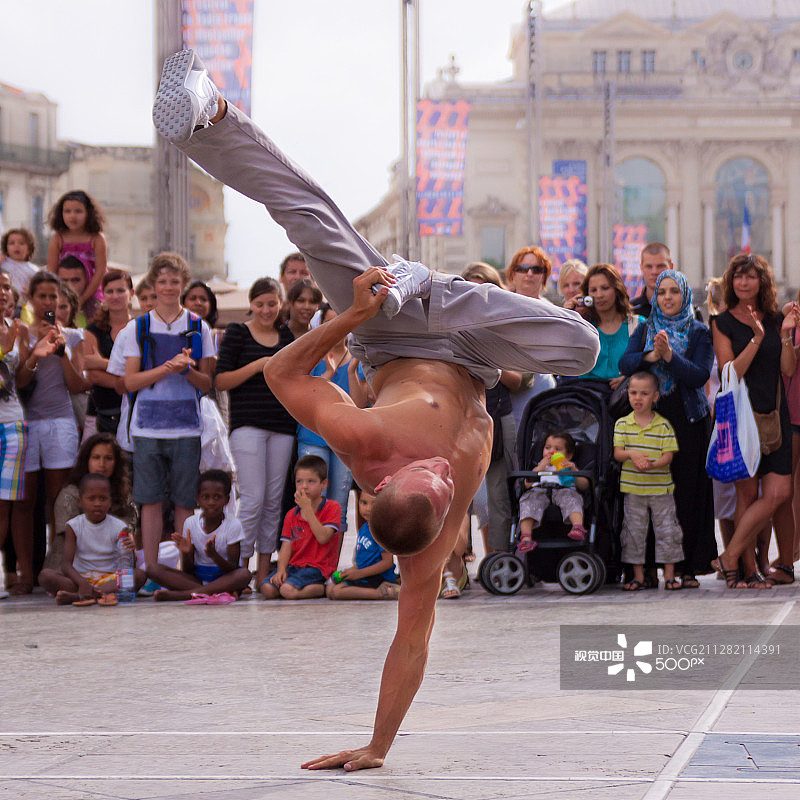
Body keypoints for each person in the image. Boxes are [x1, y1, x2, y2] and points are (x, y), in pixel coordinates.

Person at [152, 49, 598, 769]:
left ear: (381, 483)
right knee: (579, 345)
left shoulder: (360, 436)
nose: (444, 472)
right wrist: (377, 746)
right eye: (445, 486)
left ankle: (208, 117)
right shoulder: (432, 535)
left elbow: (284, 367)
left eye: (426, 475)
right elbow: (411, 641)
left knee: (308, 214)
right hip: (475, 349)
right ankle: (433, 287)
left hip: (388, 324)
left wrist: (349, 316)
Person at [117, 251, 214, 586]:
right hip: (146, 427)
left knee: (185, 502)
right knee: (150, 501)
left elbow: (207, 382)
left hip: (187, 427)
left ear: (183, 285)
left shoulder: (199, 326)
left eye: (175, 281)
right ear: (153, 285)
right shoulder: (137, 327)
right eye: (163, 281)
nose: (169, 287)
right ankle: (153, 569)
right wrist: (166, 368)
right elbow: (129, 382)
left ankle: (182, 569)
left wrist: (187, 370)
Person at [619, 270, 716, 588]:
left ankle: (688, 567)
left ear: (685, 295)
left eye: (675, 291)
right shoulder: (646, 327)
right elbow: (626, 364)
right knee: (646, 493)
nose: (668, 298)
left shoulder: (700, 331)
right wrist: (651, 355)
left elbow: (699, 376)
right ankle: (645, 568)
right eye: (662, 292)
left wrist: (670, 357)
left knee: (686, 495)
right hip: (649, 423)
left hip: (688, 420)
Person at [710, 253, 798, 589]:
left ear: (762, 281)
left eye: (750, 276)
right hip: (739, 416)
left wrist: (785, 333)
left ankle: (730, 555)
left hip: (775, 416)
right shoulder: (721, 322)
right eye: (738, 277)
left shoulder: (776, 318)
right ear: (731, 283)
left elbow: (787, 369)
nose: (743, 282)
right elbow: (730, 370)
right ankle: (747, 569)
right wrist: (757, 339)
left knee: (779, 493)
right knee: (746, 496)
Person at [215, 277, 296, 583]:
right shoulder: (237, 332)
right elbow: (221, 380)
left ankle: (262, 571)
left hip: (281, 426)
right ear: (251, 305)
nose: (266, 310)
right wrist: (261, 364)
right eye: (260, 304)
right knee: (252, 499)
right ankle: (240, 569)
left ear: (280, 303)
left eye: (272, 304)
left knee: (274, 501)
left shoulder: (286, 336)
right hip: (247, 426)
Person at [12, 271, 87, 595]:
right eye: (41, 297)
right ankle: (25, 574)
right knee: (26, 502)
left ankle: (57, 570)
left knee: (59, 500)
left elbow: (79, 384)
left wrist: (61, 351)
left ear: (61, 301)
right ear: (31, 300)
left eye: (53, 297)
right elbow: (19, 383)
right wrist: (34, 352)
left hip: (61, 422)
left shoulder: (73, 336)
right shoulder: (21, 334)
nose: (48, 303)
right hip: (28, 422)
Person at [297, 303, 370, 537]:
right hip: (313, 438)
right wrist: (326, 376)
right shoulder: (311, 357)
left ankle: (330, 569)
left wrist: (350, 373)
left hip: (344, 442)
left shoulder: (357, 359)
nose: (336, 327)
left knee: (337, 508)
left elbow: (359, 407)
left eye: (341, 321)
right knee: (310, 503)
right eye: (330, 322)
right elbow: (303, 402)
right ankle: (309, 567)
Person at [613, 371, 684, 590]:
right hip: (633, 490)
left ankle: (670, 576)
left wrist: (653, 464)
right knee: (634, 532)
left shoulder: (663, 426)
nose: (638, 398)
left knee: (667, 531)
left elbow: (668, 455)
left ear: (655, 396)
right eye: (633, 393)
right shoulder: (622, 424)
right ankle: (637, 576)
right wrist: (632, 454)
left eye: (644, 394)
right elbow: (618, 453)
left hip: (661, 489)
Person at [38, 473, 143, 605]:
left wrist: (130, 550)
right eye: (91, 498)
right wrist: (82, 583)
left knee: (139, 575)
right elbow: (65, 565)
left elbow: (126, 565)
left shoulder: (119, 526)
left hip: (109, 579)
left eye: (103, 498)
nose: (97, 503)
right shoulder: (74, 526)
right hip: (81, 578)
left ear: (110, 501)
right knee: (45, 575)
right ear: (80, 502)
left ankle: (80, 597)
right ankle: (96, 595)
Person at [153, 470, 251, 602]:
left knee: (244, 574)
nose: (211, 502)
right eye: (206, 497)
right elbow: (188, 570)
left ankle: (184, 595)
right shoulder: (190, 522)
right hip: (198, 578)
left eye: (217, 497)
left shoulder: (233, 525)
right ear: (198, 499)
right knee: (153, 569)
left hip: (225, 578)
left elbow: (233, 568)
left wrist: (214, 556)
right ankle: (213, 592)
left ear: (226, 500)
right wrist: (186, 553)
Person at [48, 432, 137, 572]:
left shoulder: (123, 492)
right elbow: (65, 541)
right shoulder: (70, 493)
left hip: (112, 566)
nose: (102, 464)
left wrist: (130, 541)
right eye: (96, 458)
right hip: (75, 567)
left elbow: (128, 533)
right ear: (86, 460)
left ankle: (95, 590)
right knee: (48, 576)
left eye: (108, 458)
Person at [260, 455, 341, 600]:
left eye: (311, 481)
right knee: (267, 589)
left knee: (287, 590)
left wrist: (308, 509)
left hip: (318, 567)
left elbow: (323, 538)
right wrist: (281, 570)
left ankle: (317, 589)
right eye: (299, 481)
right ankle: (304, 588)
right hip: (295, 566)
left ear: (324, 484)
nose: (304, 486)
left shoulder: (332, 507)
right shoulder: (292, 514)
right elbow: (286, 546)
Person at [503, 246, 556, 424]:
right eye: (523, 269)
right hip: (505, 394)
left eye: (537, 269)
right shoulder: (498, 307)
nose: (530, 273)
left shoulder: (555, 313)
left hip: (541, 392)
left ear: (544, 275)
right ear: (512, 274)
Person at [574, 263, 642, 393]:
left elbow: (650, 366)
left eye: (605, 288)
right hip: (589, 402)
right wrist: (567, 312)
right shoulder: (583, 327)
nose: (599, 295)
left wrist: (630, 379)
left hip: (628, 402)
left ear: (617, 290)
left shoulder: (637, 325)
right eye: (593, 290)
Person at [517, 430, 588, 552]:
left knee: (573, 499)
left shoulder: (569, 465)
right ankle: (526, 537)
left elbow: (585, 486)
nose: (551, 452)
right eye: (547, 447)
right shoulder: (540, 465)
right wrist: (540, 468)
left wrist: (574, 471)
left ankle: (577, 527)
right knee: (527, 501)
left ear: (569, 455)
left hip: (563, 490)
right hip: (540, 491)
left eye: (557, 449)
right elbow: (527, 484)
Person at [0, 271, 26, 595]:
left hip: (14, 425)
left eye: (6, 286)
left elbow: (14, 382)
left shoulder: (15, 328)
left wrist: (35, 357)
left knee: (4, 505)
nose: (3, 292)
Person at [326, 490, 400, 600]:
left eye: (373, 504)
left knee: (337, 591)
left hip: (377, 577)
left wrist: (359, 573)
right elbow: (361, 561)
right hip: (363, 575)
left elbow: (387, 563)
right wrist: (350, 571)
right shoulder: (364, 529)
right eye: (364, 503)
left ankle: (382, 592)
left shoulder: (380, 530)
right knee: (330, 588)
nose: (368, 509)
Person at [47, 190, 108, 317]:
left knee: (96, 317)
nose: (72, 216)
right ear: (61, 214)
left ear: (88, 213)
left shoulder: (97, 238)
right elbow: (51, 271)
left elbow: (101, 271)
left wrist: (83, 299)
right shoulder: (58, 238)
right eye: (67, 211)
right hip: (62, 292)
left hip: (92, 292)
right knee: (50, 314)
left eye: (78, 211)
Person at [0, 228, 38, 307]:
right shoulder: (3, 263)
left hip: (20, 306)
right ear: (6, 247)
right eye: (12, 243)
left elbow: (40, 289)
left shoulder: (33, 270)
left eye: (21, 243)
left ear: (29, 248)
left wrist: (32, 292)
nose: (16, 246)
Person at [55, 256, 90, 327]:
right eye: (64, 280)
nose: (69, 285)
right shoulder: (47, 308)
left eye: (75, 280)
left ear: (86, 280)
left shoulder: (96, 313)